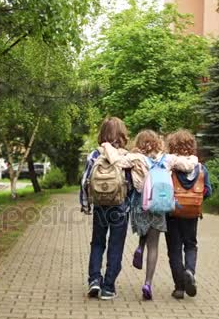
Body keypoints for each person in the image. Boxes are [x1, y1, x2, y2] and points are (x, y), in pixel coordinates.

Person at [102, 130, 198, 300]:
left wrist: (107, 146)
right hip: (160, 204)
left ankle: (140, 246)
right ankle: (147, 283)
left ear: (140, 143)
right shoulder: (167, 159)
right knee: (153, 246)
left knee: (143, 231)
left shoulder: (136, 158)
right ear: (158, 143)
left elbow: (116, 161)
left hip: (141, 203)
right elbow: (189, 165)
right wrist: (194, 158)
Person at [80, 117, 131, 300]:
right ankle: (108, 287)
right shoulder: (126, 156)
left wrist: (86, 205)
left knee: (98, 243)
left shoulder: (95, 154)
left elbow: (85, 181)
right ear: (122, 134)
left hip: (100, 206)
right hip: (120, 206)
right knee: (115, 245)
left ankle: (94, 280)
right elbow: (132, 184)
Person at [164, 129, 212, 300]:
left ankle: (179, 288)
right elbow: (208, 192)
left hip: (172, 213)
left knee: (174, 249)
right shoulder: (201, 168)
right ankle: (190, 271)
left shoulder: (170, 168)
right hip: (192, 214)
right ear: (192, 147)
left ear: (172, 147)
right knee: (190, 245)